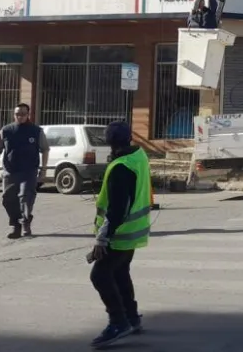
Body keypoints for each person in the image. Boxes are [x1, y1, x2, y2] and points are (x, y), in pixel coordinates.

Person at [87, 121, 152, 349]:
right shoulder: (139, 157)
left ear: (110, 143)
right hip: (132, 234)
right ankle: (132, 318)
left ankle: (118, 322)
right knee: (120, 273)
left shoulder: (121, 167)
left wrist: (101, 239)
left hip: (119, 234)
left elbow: (116, 210)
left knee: (100, 276)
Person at [0, 103, 49, 239]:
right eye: (17, 114)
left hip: (29, 170)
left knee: (26, 196)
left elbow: (45, 149)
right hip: (10, 171)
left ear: (28, 115)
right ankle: (15, 225)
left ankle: (25, 222)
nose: (20, 116)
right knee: (7, 199)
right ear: (14, 114)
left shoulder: (36, 131)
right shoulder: (6, 130)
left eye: (23, 114)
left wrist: (44, 169)